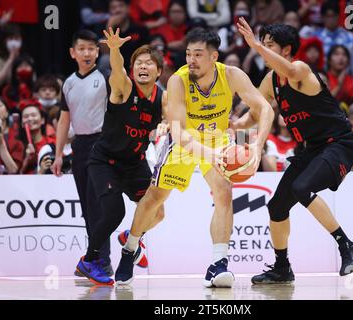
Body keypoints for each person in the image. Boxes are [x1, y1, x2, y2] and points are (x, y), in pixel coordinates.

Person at [114, 28, 274, 287]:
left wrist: (256, 147)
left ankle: (218, 265)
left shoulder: (232, 75)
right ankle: (129, 249)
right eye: (188, 54)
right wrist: (210, 154)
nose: (191, 60)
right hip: (185, 141)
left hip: (218, 138)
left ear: (214, 57)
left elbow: (264, 108)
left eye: (198, 55)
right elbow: (177, 132)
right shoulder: (178, 80)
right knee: (156, 197)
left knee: (224, 191)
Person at [236, 18, 353, 284]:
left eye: (269, 45)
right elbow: (255, 114)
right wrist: (233, 126)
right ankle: (282, 268)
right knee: (277, 207)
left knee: (302, 188)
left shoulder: (300, 69)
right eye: (263, 44)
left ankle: (347, 246)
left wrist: (255, 46)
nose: (263, 48)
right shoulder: (271, 80)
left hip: (339, 143)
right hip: (312, 149)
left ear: (286, 50)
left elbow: (292, 73)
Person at [75, 28, 168, 285]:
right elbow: (117, 70)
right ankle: (89, 260)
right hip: (105, 161)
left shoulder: (164, 98)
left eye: (149, 63)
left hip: (134, 164)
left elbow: (176, 119)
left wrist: (167, 126)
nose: (144, 66)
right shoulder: (124, 88)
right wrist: (114, 50)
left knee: (157, 213)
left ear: (159, 71)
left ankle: (131, 237)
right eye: (139, 62)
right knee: (114, 211)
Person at [50, 30, 112, 276]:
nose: (87, 53)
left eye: (91, 48)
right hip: (79, 147)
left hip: (102, 145)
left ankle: (102, 261)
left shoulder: (107, 77)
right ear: (72, 53)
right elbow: (64, 121)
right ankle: (94, 258)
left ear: (98, 52)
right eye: (82, 49)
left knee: (98, 207)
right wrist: (58, 154)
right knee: (88, 209)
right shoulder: (69, 83)